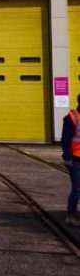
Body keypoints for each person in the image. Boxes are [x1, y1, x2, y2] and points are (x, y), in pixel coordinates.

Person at [60, 95, 80, 226]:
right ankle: (71, 214)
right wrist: (67, 157)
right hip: (76, 159)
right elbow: (66, 139)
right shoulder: (72, 118)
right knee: (77, 188)